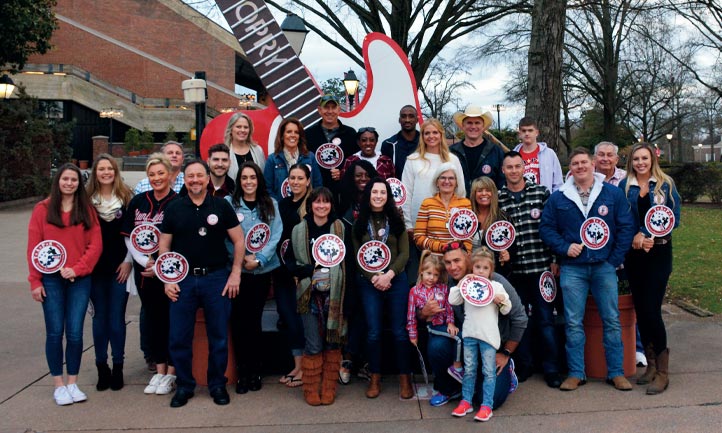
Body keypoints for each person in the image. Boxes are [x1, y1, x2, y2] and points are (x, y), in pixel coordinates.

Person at [539, 147, 635, 392]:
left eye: (583, 162)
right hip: (572, 269)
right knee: (573, 322)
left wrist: (613, 260)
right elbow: (546, 229)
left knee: (612, 320)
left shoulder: (611, 194)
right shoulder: (559, 197)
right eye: (575, 163)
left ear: (592, 164)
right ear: (569, 168)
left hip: (604, 267)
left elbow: (625, 227)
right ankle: (576, 372)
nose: (580, 167)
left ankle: (616, 372)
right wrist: (564, 247)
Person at [160, 159, 244, 408]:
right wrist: (167, 279)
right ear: (184, 180)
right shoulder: (174, 208)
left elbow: (239, 241)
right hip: (183, 281)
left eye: (199, 176)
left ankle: (217, 384)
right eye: (190, 176)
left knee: (218, 336)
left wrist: (236, 273)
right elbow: (164, 246)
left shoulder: (221, 206)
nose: (195, 180)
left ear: (208, 179)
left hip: (216, 278)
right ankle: (184, 386)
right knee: (179, 337)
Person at [27, 163, 102, 406]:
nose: (69, 183)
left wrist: (77, 268)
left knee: (75, 333)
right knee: (55, 332)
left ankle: (73, 382)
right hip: (51, 281)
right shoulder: (43, 209)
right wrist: (35, 281)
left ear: (79, 184)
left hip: (79, 280)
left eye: (74, 180)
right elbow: (34, 247)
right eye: (65, 179)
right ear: (58, 181)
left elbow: (95, 245)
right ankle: (58, 384)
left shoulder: (86, 210)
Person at [422, 242, 527, 409]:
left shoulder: (495, 281)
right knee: (437, 344)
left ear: (468, 259)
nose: (453, 267)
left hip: (494, 347)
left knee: (490, 399)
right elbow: (424, 313)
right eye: (448, 263)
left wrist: (506, 353)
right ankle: (450, 388)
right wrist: (425, 312)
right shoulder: (448, 283)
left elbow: (520, 318)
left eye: (457, 260)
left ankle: (507, 369)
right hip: (467, 344)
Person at [619, 143, 681, 395]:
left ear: (652, 159)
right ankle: (651, 364)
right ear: (631, 161)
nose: (640, 163)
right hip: (635, 254)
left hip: (658, 253)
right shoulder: (625, 186)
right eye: (636, 159)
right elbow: (623, 218)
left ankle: (664, 372)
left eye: (644, 158)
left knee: (652, 310)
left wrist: (647, 234)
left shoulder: (665, 184)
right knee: (641, 311)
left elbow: (674, 217)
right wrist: (636, 235)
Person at [498, 151, 562, 387]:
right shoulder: (499, 198)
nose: (514, 171)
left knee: (545, 320)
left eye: (517, 166)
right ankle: (523, 366)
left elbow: (553, 227)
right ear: (503, 170)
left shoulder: (541, 193)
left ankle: (551, 369)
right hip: (514, 273)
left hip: (541, 268)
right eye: (509, 167)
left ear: (524, 168)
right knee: (519, 320)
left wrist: (555, 259)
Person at [284, 187, 348, 406]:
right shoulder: (299, 230)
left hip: (335, 295)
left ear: (331, 205)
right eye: (317, 202)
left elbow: (347, 263)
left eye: (326, 202)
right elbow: (290, 262)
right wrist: (306, 271)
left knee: (332, 343)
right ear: (310, 205)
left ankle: (328, 387)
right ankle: (311, 388)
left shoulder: (340, 229)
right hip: (308, 294)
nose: (322, 206)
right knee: (313, 345)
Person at [122, 153, 178, 396]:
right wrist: (145, 261)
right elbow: (129, 237)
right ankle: (159, 370)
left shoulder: (178, 202)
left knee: (171, 320)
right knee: (153, 319)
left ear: (170, 175)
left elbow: (182, 240)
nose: (156, 178)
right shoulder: (138, 202)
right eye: (152, 174)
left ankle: (172, 374)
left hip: (170, 271)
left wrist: (160, 265)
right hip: (144, 270)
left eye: (161, 173)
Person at [352, 178, 412, 399]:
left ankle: (404, 376)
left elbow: (404, 253)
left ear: (388, 196)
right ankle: (375, 376)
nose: (378, 196)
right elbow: (357, 256)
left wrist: (388, 275)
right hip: (369, 282)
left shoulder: (397, 220)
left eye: (383, 192)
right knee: (374, 332)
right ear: (368, 195)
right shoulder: (360, 222)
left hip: (396, 279)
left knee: (399, 331)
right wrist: (374, 277)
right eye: (374, 192)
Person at [225, 162, 282, 394]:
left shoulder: (270, 204)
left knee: (254, 322)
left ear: (259, 180)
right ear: (239, 181)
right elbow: (225, 239)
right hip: (237, 273)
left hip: (260, 272)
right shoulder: (229, 204)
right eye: (244, 178)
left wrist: (258, 259)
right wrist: (239, 259)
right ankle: (242, 372)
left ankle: (255, 370)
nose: (249, 182)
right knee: (238, 323)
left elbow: (275, 234)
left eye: (253, 177)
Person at [86, 154, 133, 391]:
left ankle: (118, 367)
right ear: (95, 173)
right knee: (99, 319)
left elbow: (133, 236)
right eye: (101, 169)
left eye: (109, 169)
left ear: (115, 172)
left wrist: (128, 262)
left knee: (116, 319)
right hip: (94, 271)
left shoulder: (126, 199)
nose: (105, 172)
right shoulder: (85, 202)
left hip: (119, 270)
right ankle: (101, 367)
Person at [449, 248, 511, 422]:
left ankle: (486, 405)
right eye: (477, 267)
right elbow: (453, 300)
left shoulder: (496, 286)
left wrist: (501, 300)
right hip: (469, 335)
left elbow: (507, 309)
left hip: (488, 338)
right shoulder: (467, 285)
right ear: (472, 267)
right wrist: (462, 282)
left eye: (485, 268)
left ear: (491, 270)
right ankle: (466, 401)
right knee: (469, 370)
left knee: (488, 371)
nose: (481, 271)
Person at [402, 119, 465, 279]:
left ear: (441, 134)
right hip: (421, 227)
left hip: (448, 227)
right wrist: (409, 225)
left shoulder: (452, 160)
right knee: (428, 273)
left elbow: (461, 191)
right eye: (427, 133)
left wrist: (460, 225)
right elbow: (406, 194)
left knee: (449, 273)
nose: (431, 136)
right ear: (422, 136)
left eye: (435, 132)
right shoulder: (413, 160)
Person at [276, 163, 312, 387]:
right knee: (289, 316)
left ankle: (308, 366)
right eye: (292, 178)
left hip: (307, 272)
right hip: (284, 269)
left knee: (306, 318)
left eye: (300, 178)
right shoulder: (281, 205)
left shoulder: (315, 202)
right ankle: (297, 365)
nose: (296, 182)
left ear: (308, 181)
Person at [406, 251, 463, 385]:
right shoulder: (415, 291)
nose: (432, 278)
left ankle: (454, 372)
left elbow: (449, 308)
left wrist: (450, 323)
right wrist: (413, 334)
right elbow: (411, 315)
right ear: (421, 272)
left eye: (436, 275)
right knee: (460, 338)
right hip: (433, 326)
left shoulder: (442, 288)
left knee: (459, 337)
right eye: (429, 273)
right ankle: (457, 368)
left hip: (444, 325)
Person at [414, 163, 472, 254]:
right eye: (443, 178)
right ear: (436, 182)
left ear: (457, 183)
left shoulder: (465, 204)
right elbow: (418, 237)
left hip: (457, 260)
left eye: (451, 178)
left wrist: (464, 254)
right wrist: (442, 247)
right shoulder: (427, 203)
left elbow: (469, 236)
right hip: (432, 261)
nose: (447, 181)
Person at [304, 95, 357, 189]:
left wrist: (343, 172)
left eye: (333, 107)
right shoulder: (308, 134)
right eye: (326, 107)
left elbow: (356, 162)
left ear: (339, 110)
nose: (330, 111)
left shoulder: (350, 134)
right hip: (316, 191)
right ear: (319, 110)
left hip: (343, 191)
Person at [264, 118, 322, 201]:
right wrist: (279, 207)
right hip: (281, 210)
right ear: (282, 136)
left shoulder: (310, 157)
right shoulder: (272, 160)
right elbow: (267, 189)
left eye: (296, 132)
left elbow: (317, 185)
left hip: (306, 209)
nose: (293, 135)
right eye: (289, 132)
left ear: (300, 136)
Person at [450, 106, 505, 191]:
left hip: (487, 203)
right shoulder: (452, 152)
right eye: (469, 123)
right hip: (458, 203)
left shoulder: (496, 152)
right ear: (463, 126)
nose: (473, 126)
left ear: (483, 126)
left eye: (477, 123)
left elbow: (502, 183)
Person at [469, 177, 512, 276]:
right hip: (470, 271)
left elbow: (513, 249)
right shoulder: (467, 216)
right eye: (479, 191)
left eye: (488, 190)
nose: (484, 194)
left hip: (495, 273)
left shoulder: (503, 217)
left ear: (493, 193)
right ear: (474, 194)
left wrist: (507, 256)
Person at [512, 117, 563, 193]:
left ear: (537, 133)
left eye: (530, 130)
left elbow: (558, 184)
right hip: (521, 202)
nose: (527, 133)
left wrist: (554, 203)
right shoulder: (513, 156)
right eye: (524, 131)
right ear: (519, 134)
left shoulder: (549, 154)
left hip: (545, 202)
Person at [224, 112, 266, 182]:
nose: (242, 130)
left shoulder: (258, 150)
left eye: (246, 127)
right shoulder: (224, 153)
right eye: (238, 127)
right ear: (231, 129)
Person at [381, 105, 420, 177]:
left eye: (411, 116)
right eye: (403, 116)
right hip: (397, 187)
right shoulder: (388, 145)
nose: (407, 120)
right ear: (399, 120)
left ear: (417, 120)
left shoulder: (425, 143)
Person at [337, 159, 379, 226]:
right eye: (358, 175)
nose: (363, 179)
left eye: (367, 175)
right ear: (352, 178)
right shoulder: (343, 201)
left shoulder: (379, 201)